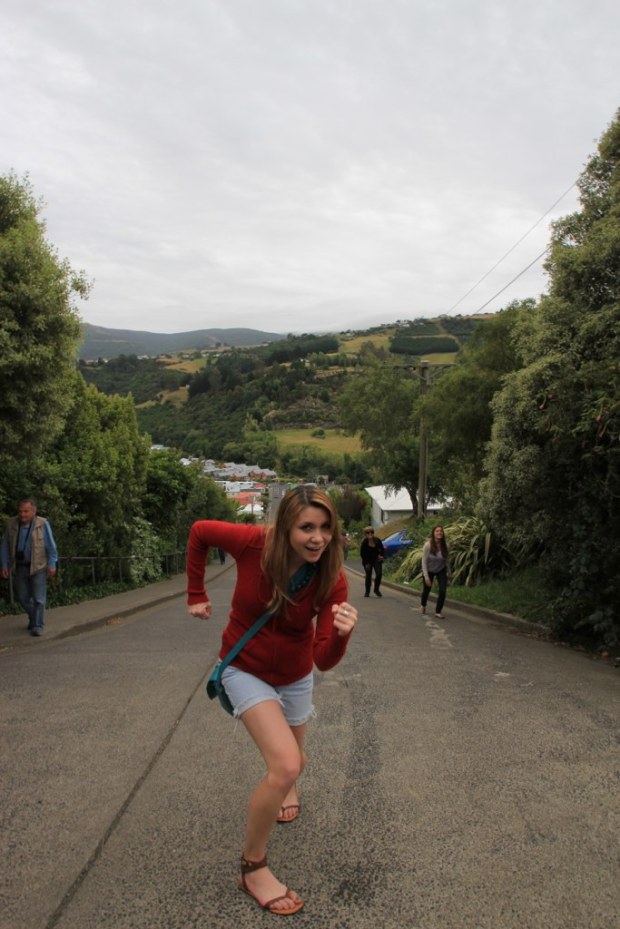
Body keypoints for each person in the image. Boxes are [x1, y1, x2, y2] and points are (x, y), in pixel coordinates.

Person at [186, 485, 358, 915]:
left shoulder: (332, 577)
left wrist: (341, 636)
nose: (317, 538)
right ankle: (253, 867)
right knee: (286, 764)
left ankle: (289, 785)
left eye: (325, 528)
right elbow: (199, 532)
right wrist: (196, 593)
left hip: (297, 674)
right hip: (245, 667)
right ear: (284, 527)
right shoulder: (251, 543)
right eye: (306, 528)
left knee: (293, 759)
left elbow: (323, 659)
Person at [0, 498, 58, 636]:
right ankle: (34, 618)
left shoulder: (42, 524)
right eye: (20, 511)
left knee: (39, 598)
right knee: (23, 597)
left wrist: (52, 563)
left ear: (33, 511)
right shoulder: (12, 524)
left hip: (38, 566)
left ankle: (38, 625)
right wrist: (4, 564)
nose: (22, 514)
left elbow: (51, 546)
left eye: (26, 511)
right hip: (19, 566)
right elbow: (4, 547)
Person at [420, 525, 449, 618]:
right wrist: (426, 577)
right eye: (437, 531)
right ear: (433, 533)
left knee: (443, 590)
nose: (439, 532)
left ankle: (438, 611)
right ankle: (423, 605)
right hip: (429, 569)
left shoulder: (446, 545)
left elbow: (447, 560)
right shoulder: (428, 545)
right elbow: (424, 561)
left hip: (441, 569)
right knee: (426, 590)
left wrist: (449, 572)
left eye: (441, 531)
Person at [360, 526, 385, 597]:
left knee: (379, 574)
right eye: (368, 532)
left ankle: (376, 589)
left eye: (371, 532)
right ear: (365, 534)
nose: (370, 534)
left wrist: (381, 556)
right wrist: (366, 563)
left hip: (376, 559)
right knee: (368, 575)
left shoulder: (377, 540)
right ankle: (367, 592)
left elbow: (382, 549)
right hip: (368, 561)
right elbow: (362, 554)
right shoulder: (364, 543)